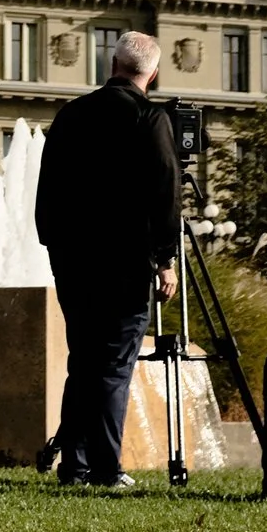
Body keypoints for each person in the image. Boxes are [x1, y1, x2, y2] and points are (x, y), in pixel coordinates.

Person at [35, 32, 181, 488]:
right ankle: (105, 468)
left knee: (84, 362)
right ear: (151, 74)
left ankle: (75, 465)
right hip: (125, 264)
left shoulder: (71, 114)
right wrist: (165, 259)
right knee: (114, 367)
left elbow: (47, 191)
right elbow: (166, 193)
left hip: (75, 262)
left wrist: (54, 247)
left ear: (112, 63)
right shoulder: (149, 117)